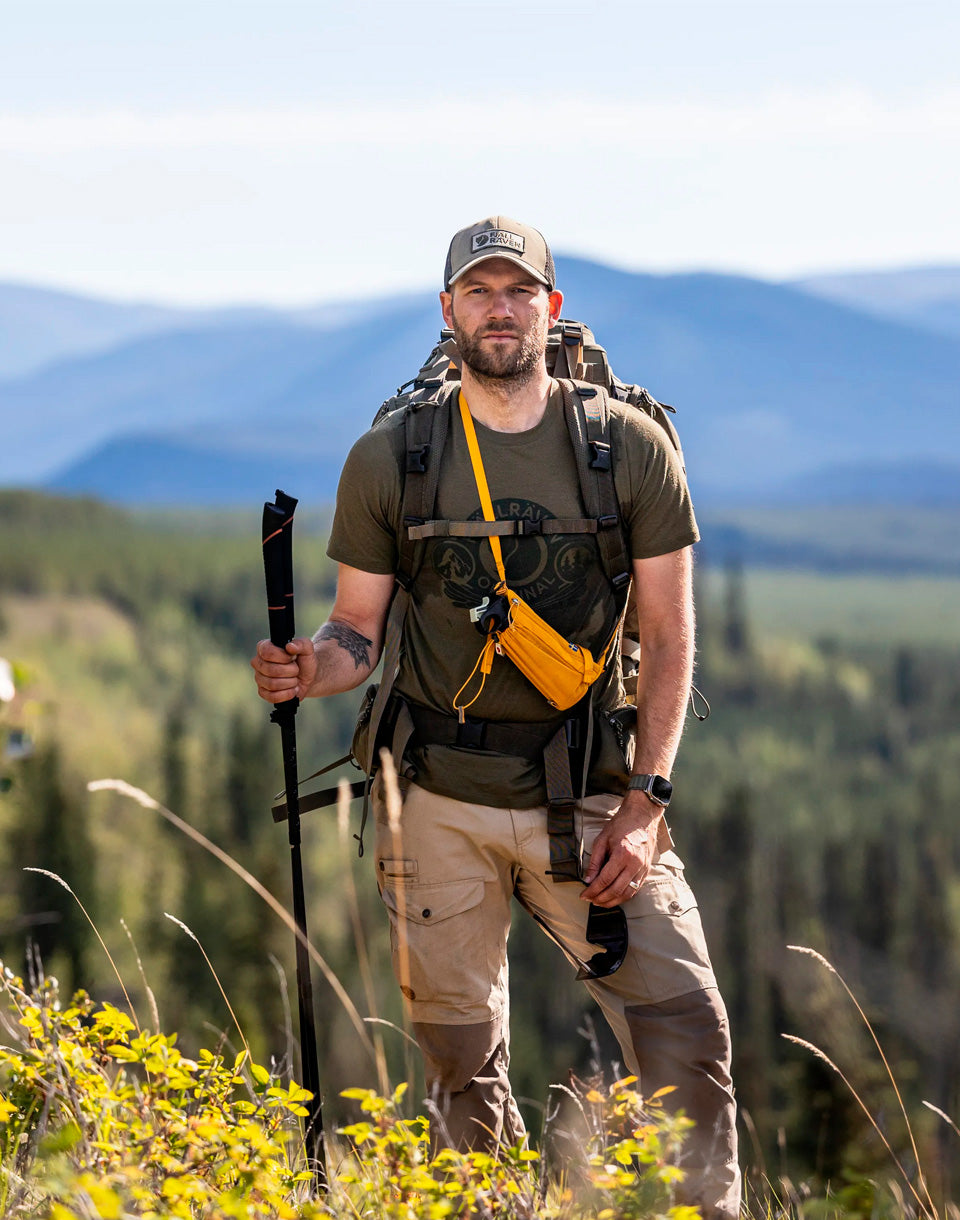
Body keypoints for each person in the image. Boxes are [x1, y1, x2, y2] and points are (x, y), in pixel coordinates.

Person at [252, 216, 740, 1217]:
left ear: (551, 310)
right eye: (478, 291)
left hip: (598, 792)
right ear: (449, 312)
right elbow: (357, 629)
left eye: (518, 290)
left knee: (688, 1033)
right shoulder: (393, 456)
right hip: (434, 798)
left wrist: (647, 805)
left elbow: (671, 636)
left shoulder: (627, 449)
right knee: (459, 1069)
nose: (499, 307)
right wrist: (311, 670)